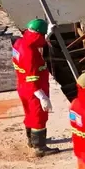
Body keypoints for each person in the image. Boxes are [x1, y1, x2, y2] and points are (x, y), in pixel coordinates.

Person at [11, 18, 56, 157]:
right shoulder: (30, 53)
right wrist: (42, 97)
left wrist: (47, 35)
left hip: (23, 86)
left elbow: (36, 41)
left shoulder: (20, 43)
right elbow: (32, 78)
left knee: (30, 113)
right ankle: (40, 147)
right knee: (39, 116)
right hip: (34, 89)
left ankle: (31, 140)